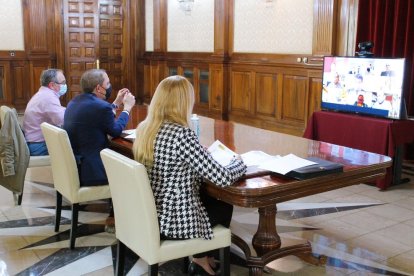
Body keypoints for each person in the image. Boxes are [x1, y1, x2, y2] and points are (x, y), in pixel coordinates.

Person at [133, 75, 246, 275]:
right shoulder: (181, 134)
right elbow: (223, 178)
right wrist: (238, 163)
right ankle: (201, 257)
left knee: (210, 199)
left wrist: (198, 154)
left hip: (149, 215)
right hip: (174, 221)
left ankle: (203, 258)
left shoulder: (145, 129)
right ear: (183, 102)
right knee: (223, 203)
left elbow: (173, 164)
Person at [64, 69, 135, 232]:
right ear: (98, 88)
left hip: (77, 165)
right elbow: (116, 130)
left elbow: (99, 114)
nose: (110, 86)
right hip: (91, 170)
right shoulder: (100, 107)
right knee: (132, 173)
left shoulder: (75, 102)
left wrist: (116, 103)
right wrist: (127, 108)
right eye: (108, 83)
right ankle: (115, 219)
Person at [23, 69, 67, 156]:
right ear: (52, 85)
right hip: (38, 146)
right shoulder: (48, 97)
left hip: (33, 142)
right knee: (76, 146)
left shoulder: (44, 93)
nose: (65, 85)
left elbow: (58, 111)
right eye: (63, 82)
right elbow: (62, 121)